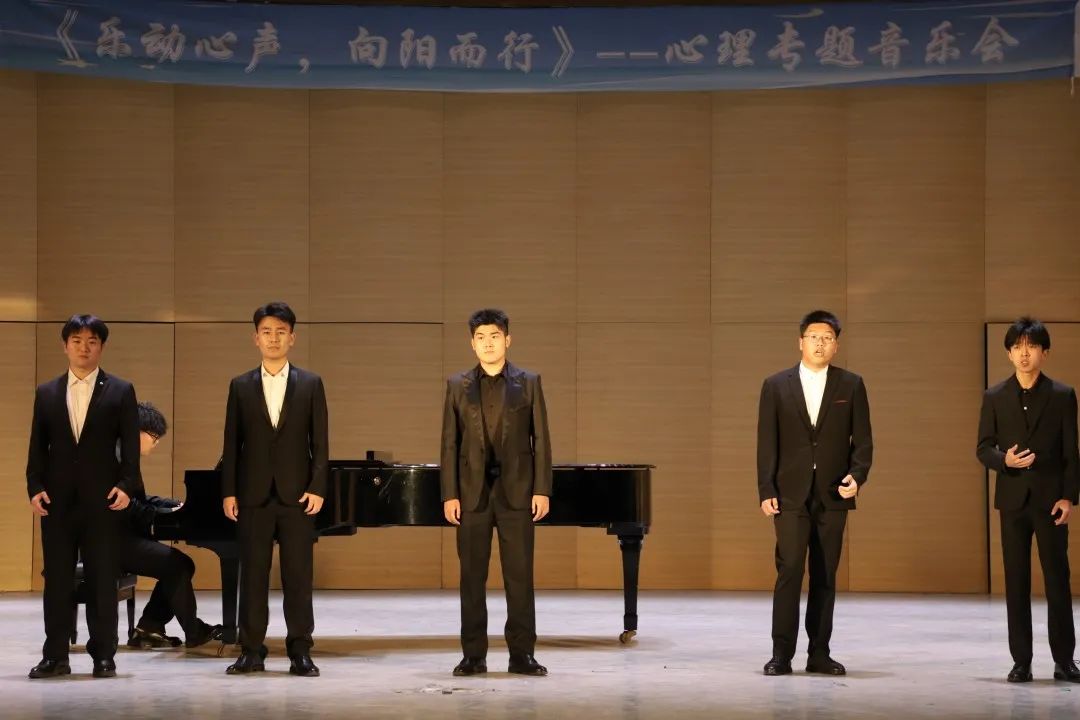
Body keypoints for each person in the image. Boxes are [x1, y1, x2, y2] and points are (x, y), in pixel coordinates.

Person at [756, 310, 872, 677]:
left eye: (827, 338)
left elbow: (863, 442)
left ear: (836, 345)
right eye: (813, 337)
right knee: (789, 570)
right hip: (789, 494)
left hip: (834, 494)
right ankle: (781, 654)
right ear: (800, 342)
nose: (820, 343)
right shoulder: (776, 385)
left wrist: (857, 476)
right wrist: (766, 488)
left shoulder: (851, 385)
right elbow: (766, 443)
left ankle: (819, 653)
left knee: (825, 575)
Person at [26, 314, 142, 679]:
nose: (84, 348)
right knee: (57, 581)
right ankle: (55, 656)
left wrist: (127, 486)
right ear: (65, 346)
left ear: (101, 347)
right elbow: (37, 447)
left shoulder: (121, 390)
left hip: (103, 501)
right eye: (76, 341)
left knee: (102, 580)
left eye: (92, 341)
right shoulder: (46, 392)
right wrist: (34, 486)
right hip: (57, 502)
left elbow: (131, 448)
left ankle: (103, 655)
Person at [441, 308, 552, 677]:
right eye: (480, 338)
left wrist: (542, 489)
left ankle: (522, 655)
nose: (488, 343)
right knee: (471, 578)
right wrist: (449, 494)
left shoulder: (529, 382)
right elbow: (449, 443)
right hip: (470, 495)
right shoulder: (456, 384)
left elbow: (542, 440)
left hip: (517, 493)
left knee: (519, 578)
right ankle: (473, 656)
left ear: (507, 339)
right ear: (472, 344)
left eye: (494, 336)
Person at [222, 301, 328, 677]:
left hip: (297, 495)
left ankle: (300, 650)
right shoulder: (240, 386)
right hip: (252, 495)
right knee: (253, 576)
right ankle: (251, 650)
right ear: (256, 338)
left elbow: (320, 443)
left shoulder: (311, 384)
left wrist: (318, 487)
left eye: (280, 332)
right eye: (266, 332)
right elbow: (231, 444)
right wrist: (229, 491)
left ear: (292, 338)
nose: (273, 338)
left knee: (298, 577)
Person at [976, 317, 1080, 683]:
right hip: (1012, 502)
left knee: (1058, 581)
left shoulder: (1063, 395)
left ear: (1044, 353)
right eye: (1017, 347)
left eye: (1031, 346)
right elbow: (983, 448)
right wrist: (1004, 460)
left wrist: (1068, 498)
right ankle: (1021, 661)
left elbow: (1072, 452)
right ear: (1008, 353)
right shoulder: (994, 396)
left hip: (1051, 502)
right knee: (1016, 582)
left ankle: (1065, 661)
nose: (1024, 353)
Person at [123, 401, 223, 650]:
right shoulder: (116, 460)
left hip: (125, 536)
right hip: (114, 541)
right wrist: (163, 512)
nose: (155, 443)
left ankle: (149, 627)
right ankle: (193, 630)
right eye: (154, 437)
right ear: (137, 431)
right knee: (177, 564)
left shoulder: (124, 458)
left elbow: (139, 499)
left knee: (179, 564)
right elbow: (129, 506)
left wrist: (173, 505)